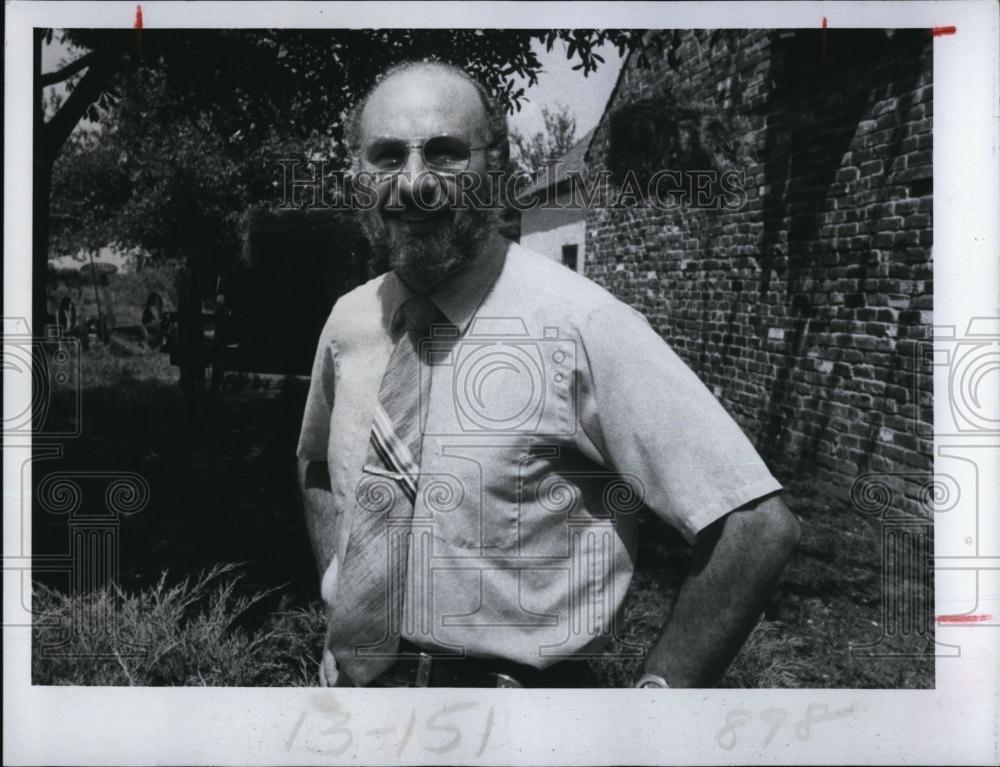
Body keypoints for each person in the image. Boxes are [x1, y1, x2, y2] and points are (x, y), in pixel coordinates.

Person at [296, 60, 800, 689]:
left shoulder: (582, 324)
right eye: (388, 156)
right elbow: (317, 464)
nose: (415, 181)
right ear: (358, 173)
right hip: (351, 702)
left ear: (498, 165)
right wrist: (339, 584)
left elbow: (754, 525)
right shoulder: (352, 321)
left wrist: (655, 715)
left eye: (447, 154)